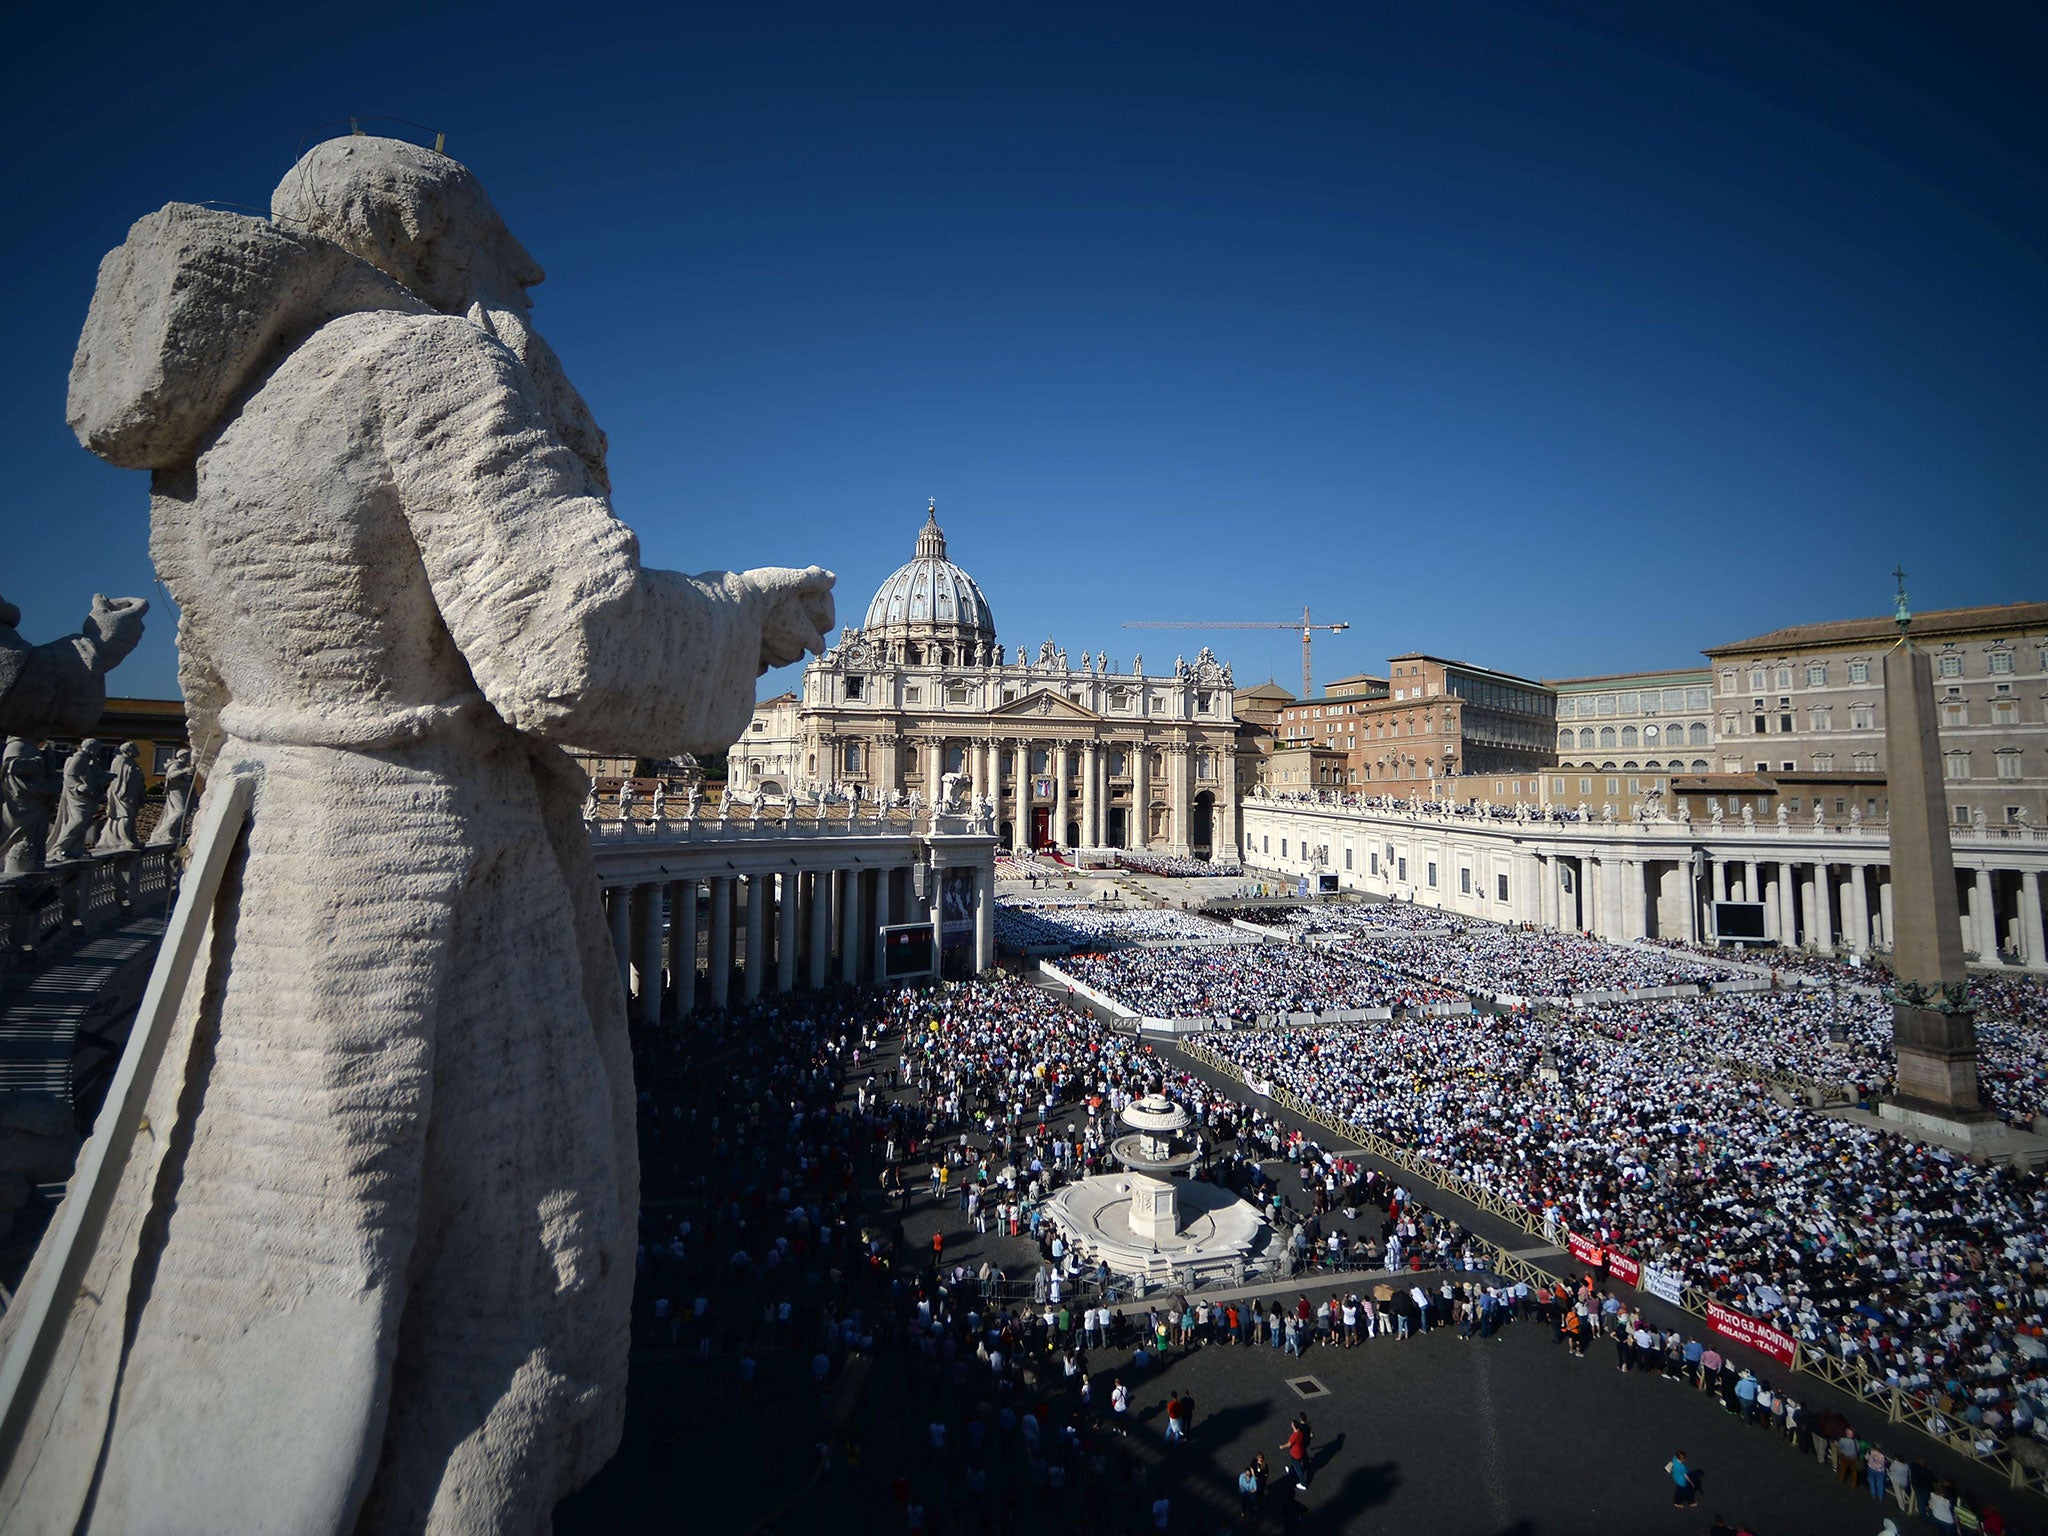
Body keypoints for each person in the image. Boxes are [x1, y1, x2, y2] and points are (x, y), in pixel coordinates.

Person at [10, 133, 835, 1535]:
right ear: (428, 243)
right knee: (504, 1286)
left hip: (265, 861)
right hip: (438, 871)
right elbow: (570, 649)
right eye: (488, 259)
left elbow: (210, 703)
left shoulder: (219, 438)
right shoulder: (428, 367)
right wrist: (746, 621)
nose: (504, 292)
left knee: (257, 1241)